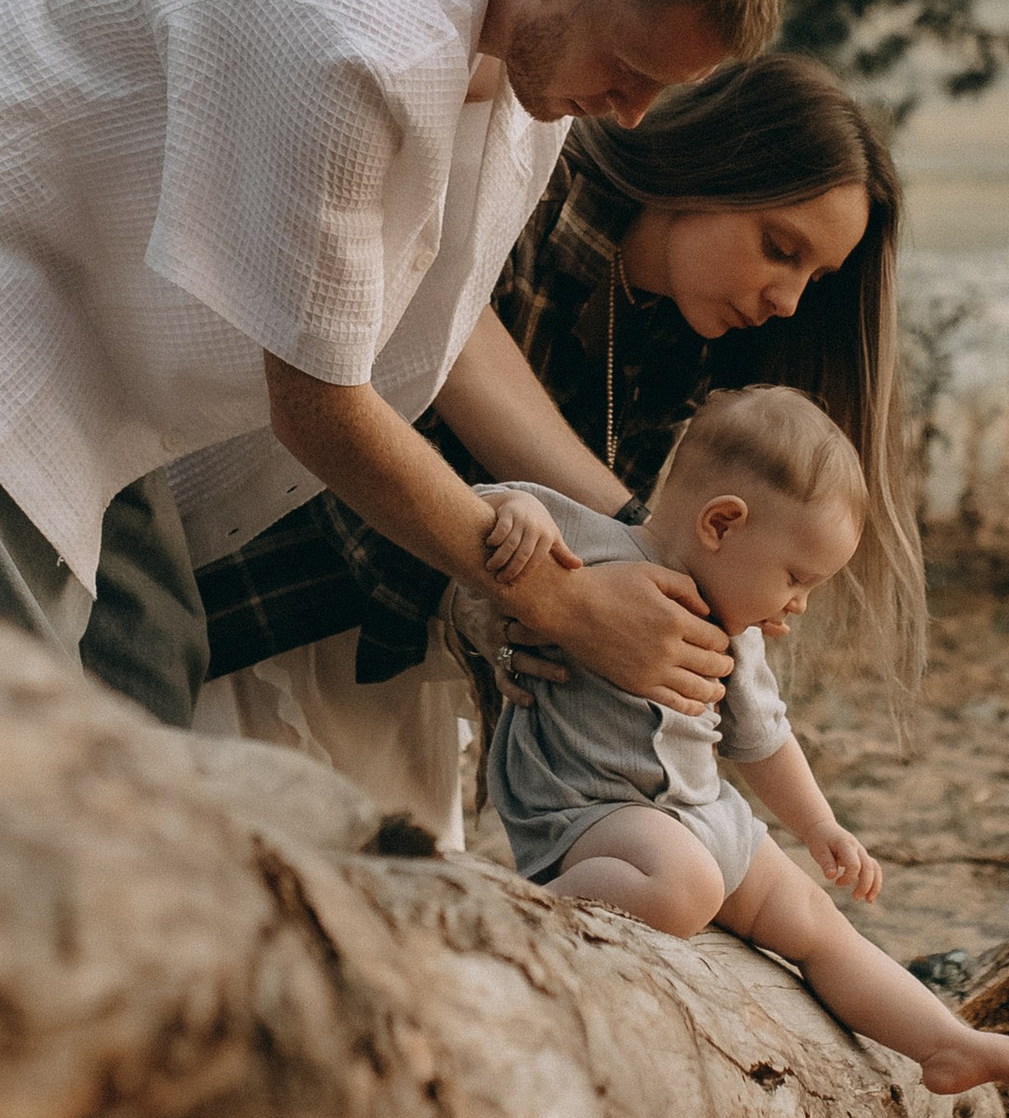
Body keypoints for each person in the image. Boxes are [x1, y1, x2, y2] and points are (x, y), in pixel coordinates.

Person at [0, 0, 792, 728]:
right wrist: (561, 599)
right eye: (629, 72)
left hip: (68, 290)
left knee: (144, 657)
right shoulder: (351, 30)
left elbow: (418, 326)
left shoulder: (509, 5)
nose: (631, 115)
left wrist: (609, 537)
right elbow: (318, 404)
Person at [188, 52, 924, 835]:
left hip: (384, 646)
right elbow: (440, 347)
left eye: (816, 277)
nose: (788, 301)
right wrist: (629, 549)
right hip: (250, 580)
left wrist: (541, 611)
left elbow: (544, 568)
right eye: (780, 247)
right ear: (715, 167)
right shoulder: (532, 184)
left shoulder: (680, 350)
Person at [477, 387, 1009, 1096]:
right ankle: (510, 925)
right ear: (722, 524)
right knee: (684, 884)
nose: (800, 603)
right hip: (590, 813)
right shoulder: (593, 547)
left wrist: (820, 825)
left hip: (702, 813)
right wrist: (522, 510)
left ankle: (942, 1042)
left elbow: (765, 743)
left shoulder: (739, 634)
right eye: (795, 577)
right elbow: (486, 503)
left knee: (815, 920)